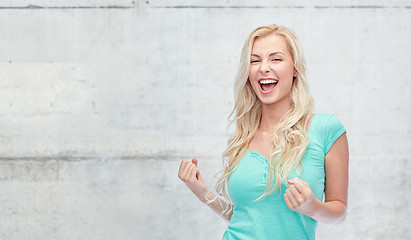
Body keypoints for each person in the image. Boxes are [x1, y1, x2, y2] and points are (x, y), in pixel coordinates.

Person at [178, 24, 349, 240]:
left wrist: (311, 207)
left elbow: (339, 213)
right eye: (255, 60)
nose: (263, 68)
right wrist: (203, 194)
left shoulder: (326, 129)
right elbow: (246, 217)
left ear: (295, 69)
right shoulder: (243, 138)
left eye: (276, 59)